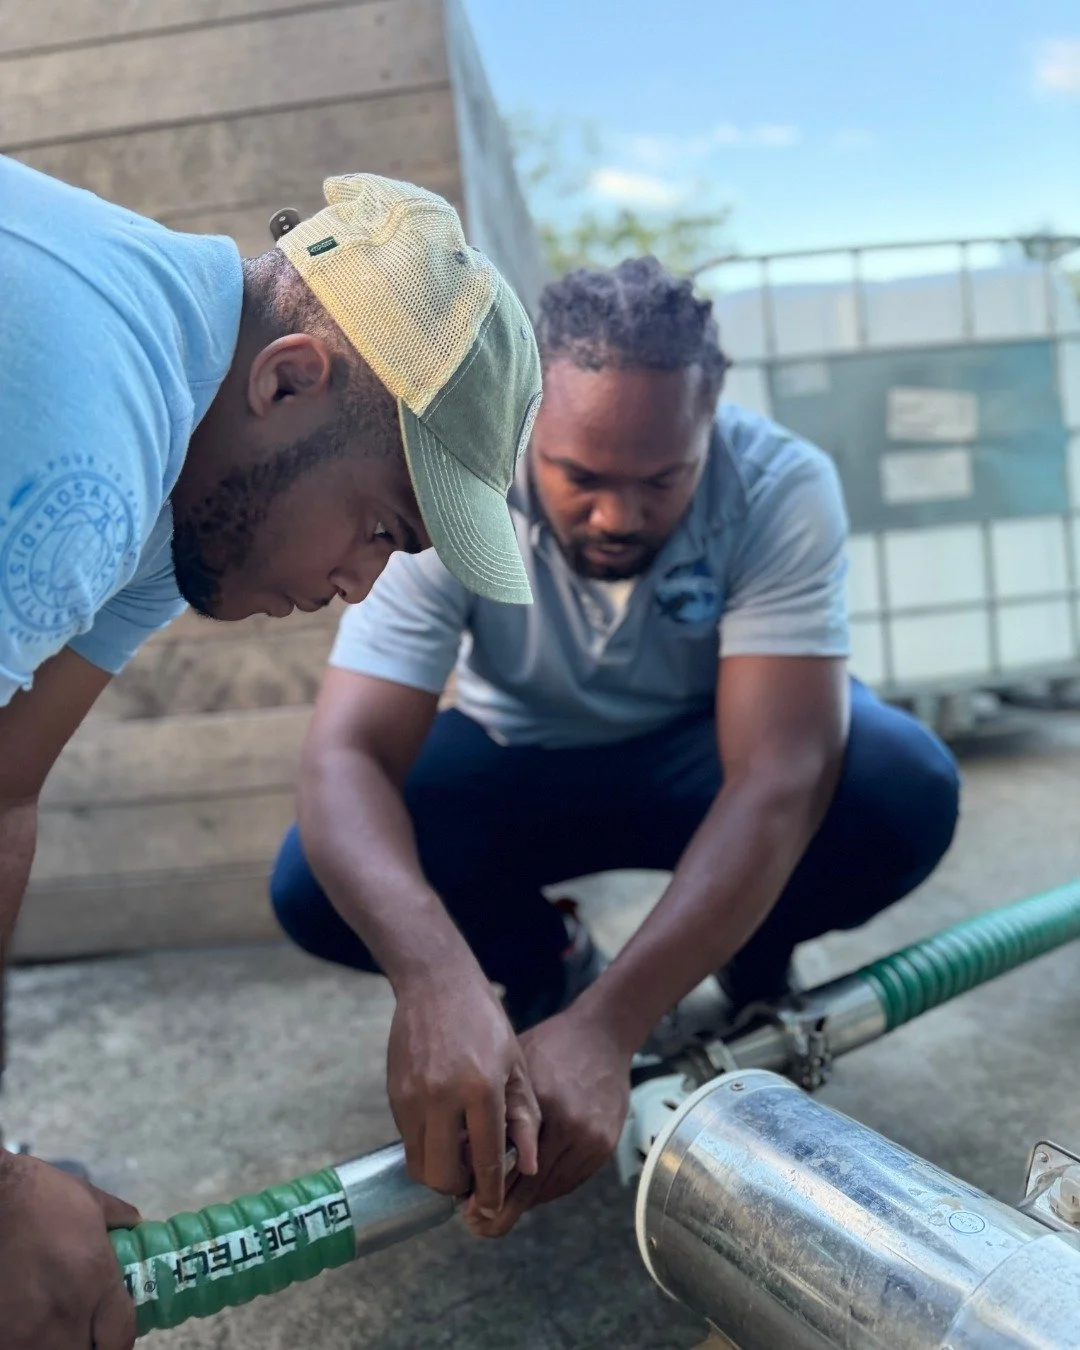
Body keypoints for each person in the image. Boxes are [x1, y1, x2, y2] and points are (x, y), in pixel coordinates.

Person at [271, 256, 961, 1238]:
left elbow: (777, 776)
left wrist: (610, 1030)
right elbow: (347, 753)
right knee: (318, 880)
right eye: (581, 476)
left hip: (704, 752)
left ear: (708, 428)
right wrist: (435, 978)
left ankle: (750, 949)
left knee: (896, 784)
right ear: (529, 426)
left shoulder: (778, 483)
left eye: (661, 479)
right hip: (522, 755)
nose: (619, 515)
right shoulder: (460, 473)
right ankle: (540, 956)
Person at [0, 156, 541, 1349]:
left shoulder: (179, 493)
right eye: (381, 527)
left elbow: (4, 793)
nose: (357, 584)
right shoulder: (101, 441)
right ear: (292, 379)